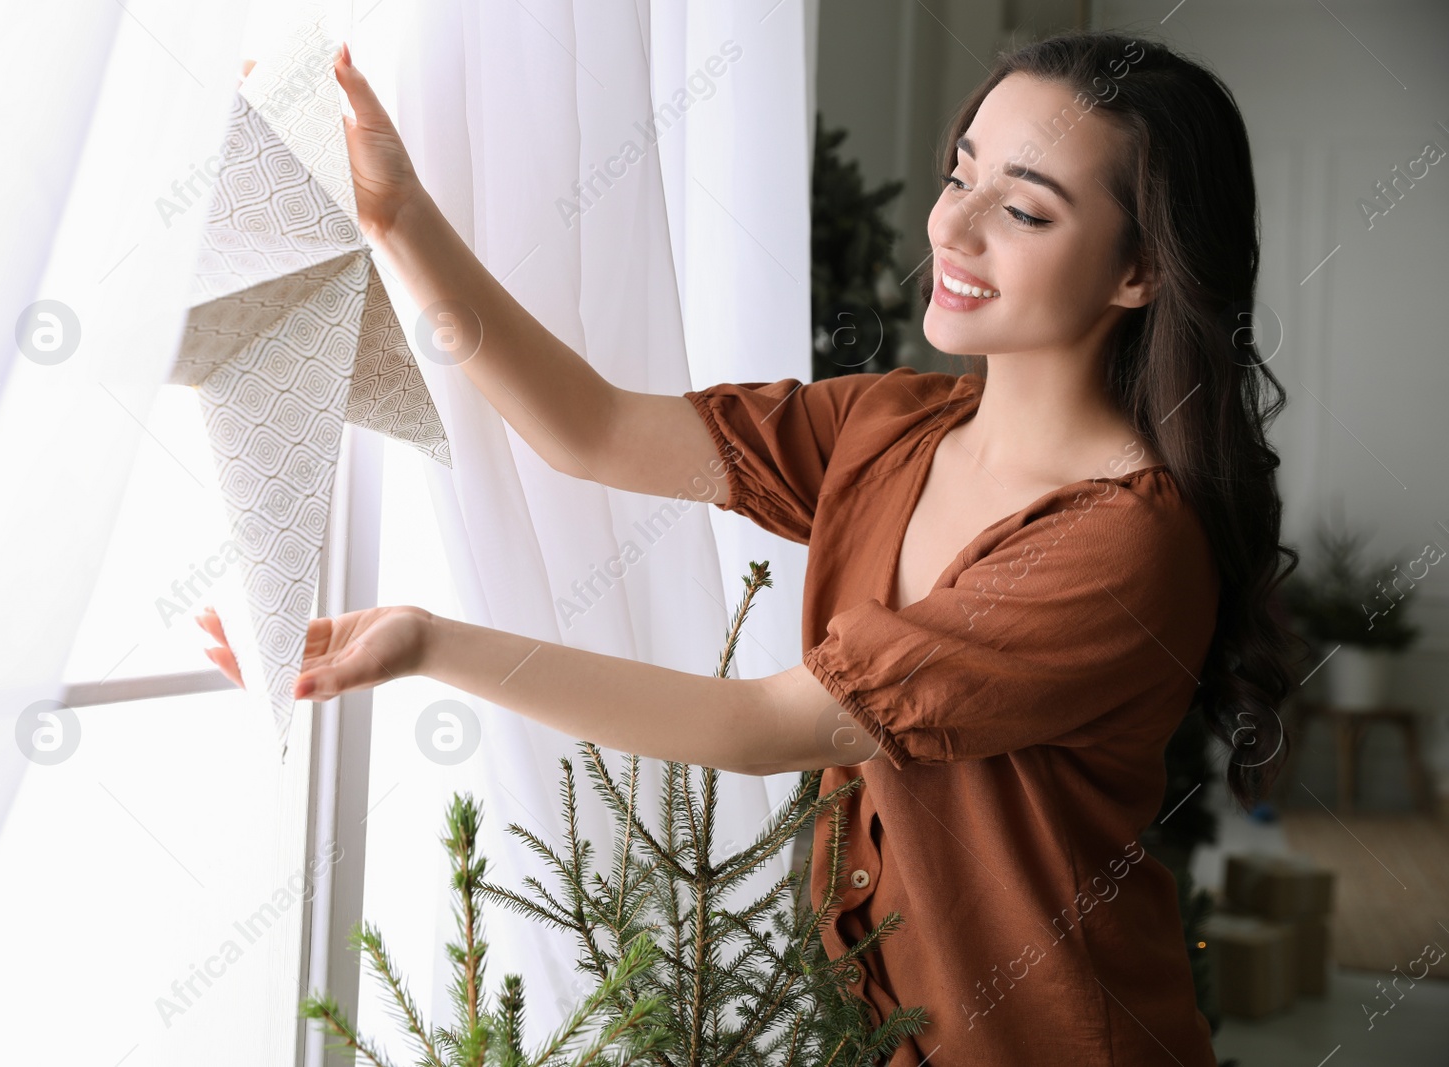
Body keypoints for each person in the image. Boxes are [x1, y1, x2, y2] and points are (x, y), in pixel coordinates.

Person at [200, 30, 1299, 1066]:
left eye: (1022, 210)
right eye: (961, 177)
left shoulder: (1123, 542)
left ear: (1138, 272)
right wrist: (396, 218)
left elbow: (765, 724)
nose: (953, 231)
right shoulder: (889, 425)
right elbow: (590, 428)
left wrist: (426, 642)